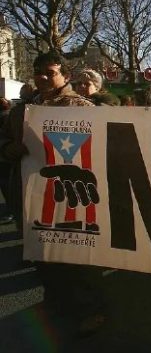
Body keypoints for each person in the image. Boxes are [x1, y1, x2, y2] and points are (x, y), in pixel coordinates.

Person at [0, 51, 106, 336]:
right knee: (42, 253)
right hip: (31, 193)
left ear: (65, 76)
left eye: (51, 72)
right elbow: (4, 141)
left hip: (72, 194)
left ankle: (90, 308)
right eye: (39, 72)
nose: (43, 77)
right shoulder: (21, 111)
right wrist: (9, 149)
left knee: (75, 254)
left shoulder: (81, 107)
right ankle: (56, 302)